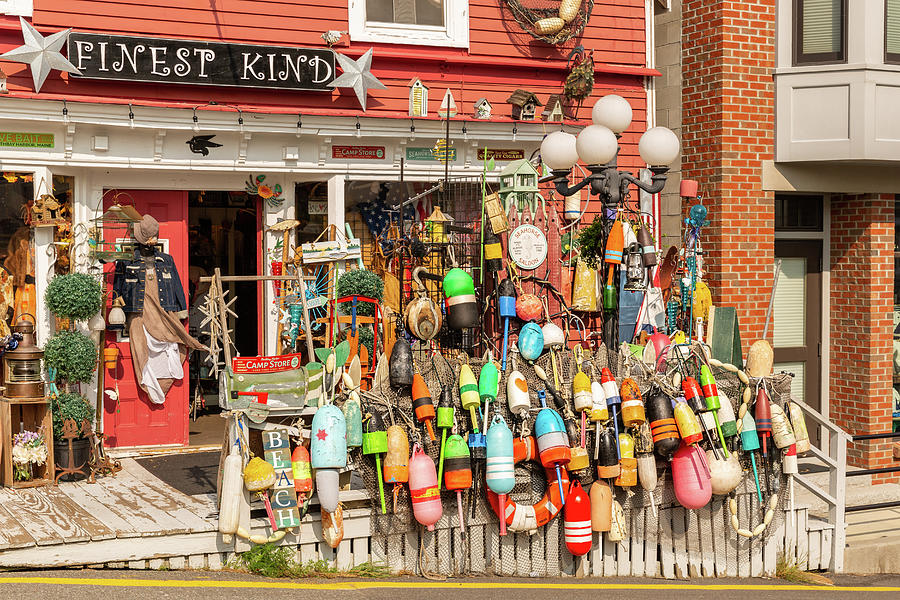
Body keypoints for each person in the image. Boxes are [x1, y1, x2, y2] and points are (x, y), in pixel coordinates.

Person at [112, 215, 206, 405]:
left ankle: (162, 383)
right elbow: (117, 288)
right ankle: (151, 385)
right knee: (140, 348)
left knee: (173, 341)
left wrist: (181, 311)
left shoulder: (166, 260)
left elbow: (178, 286)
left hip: (165, 311)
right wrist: (116, 317)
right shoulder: (126, 261)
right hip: (137, 313)